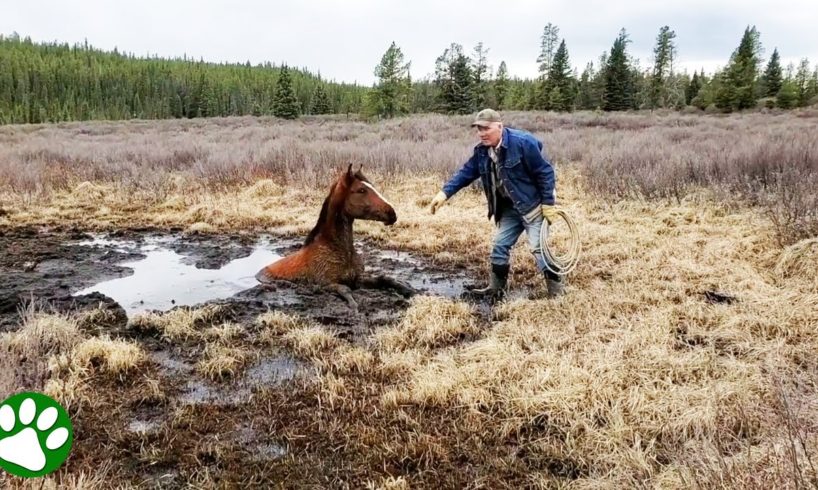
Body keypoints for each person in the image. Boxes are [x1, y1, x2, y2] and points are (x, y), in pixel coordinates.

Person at [429, 108, 565, 298]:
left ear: (499, 126)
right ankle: (495, 289)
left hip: (533, 207)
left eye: (486, 128)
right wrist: (444, 194)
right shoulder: (482, 152)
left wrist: (548, 203)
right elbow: (465, 173)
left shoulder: (523, 143)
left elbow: (545, 172)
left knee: (538, 248)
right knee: (500, 246)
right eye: (478, 129)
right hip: (508, 209)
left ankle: (557, 293)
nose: (482, 133)